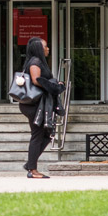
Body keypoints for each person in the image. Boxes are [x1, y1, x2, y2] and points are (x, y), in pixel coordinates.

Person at [20, 36, 64, 179]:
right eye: (45, 46)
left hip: (39, 104)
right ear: (39, 48)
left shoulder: (38, 62)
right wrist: (54, 87)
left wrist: (55, 83)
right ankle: (32, 170)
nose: (48, 48)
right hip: (34, 105)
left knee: (46, 134)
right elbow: (36, 80)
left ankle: (30, 164)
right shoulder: (35, 62)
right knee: (38, 135)